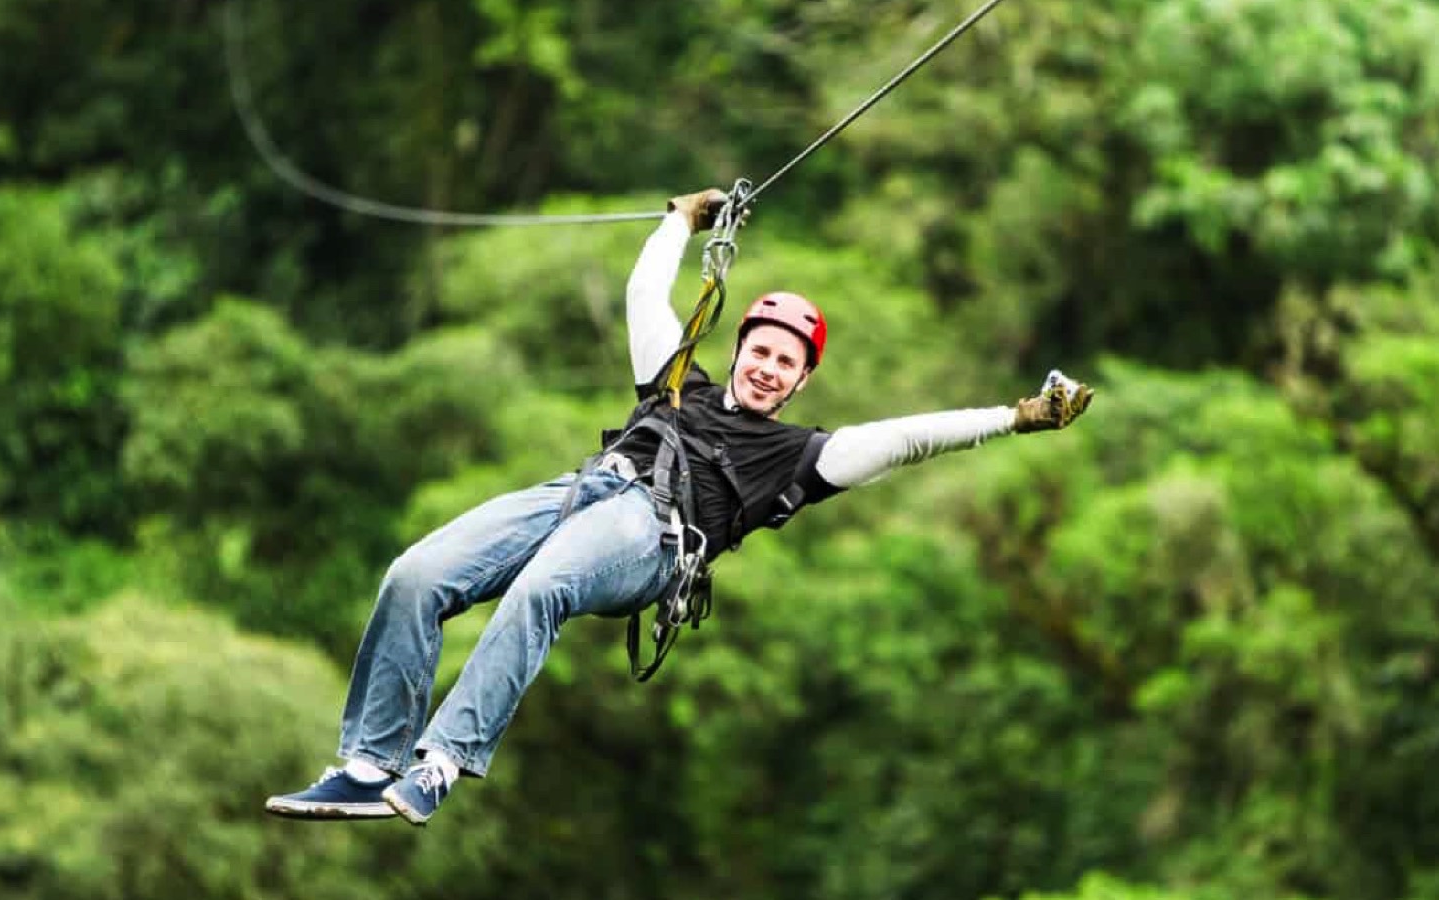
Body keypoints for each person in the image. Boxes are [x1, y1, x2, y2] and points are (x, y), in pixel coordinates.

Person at [264, 188, 1094, 826]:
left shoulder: (802, 456)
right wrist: (678, 221)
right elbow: (642, 296)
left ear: (803, 382)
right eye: (761, 352)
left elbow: (911, 436)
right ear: (739, 353)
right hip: (581, 492)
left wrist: (1017, 416)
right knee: (418, 574)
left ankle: (440, 763)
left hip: (653, 534)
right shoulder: (675, 382)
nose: (770, 369)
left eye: (787, 364)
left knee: (541, 589)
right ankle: (369, 766)